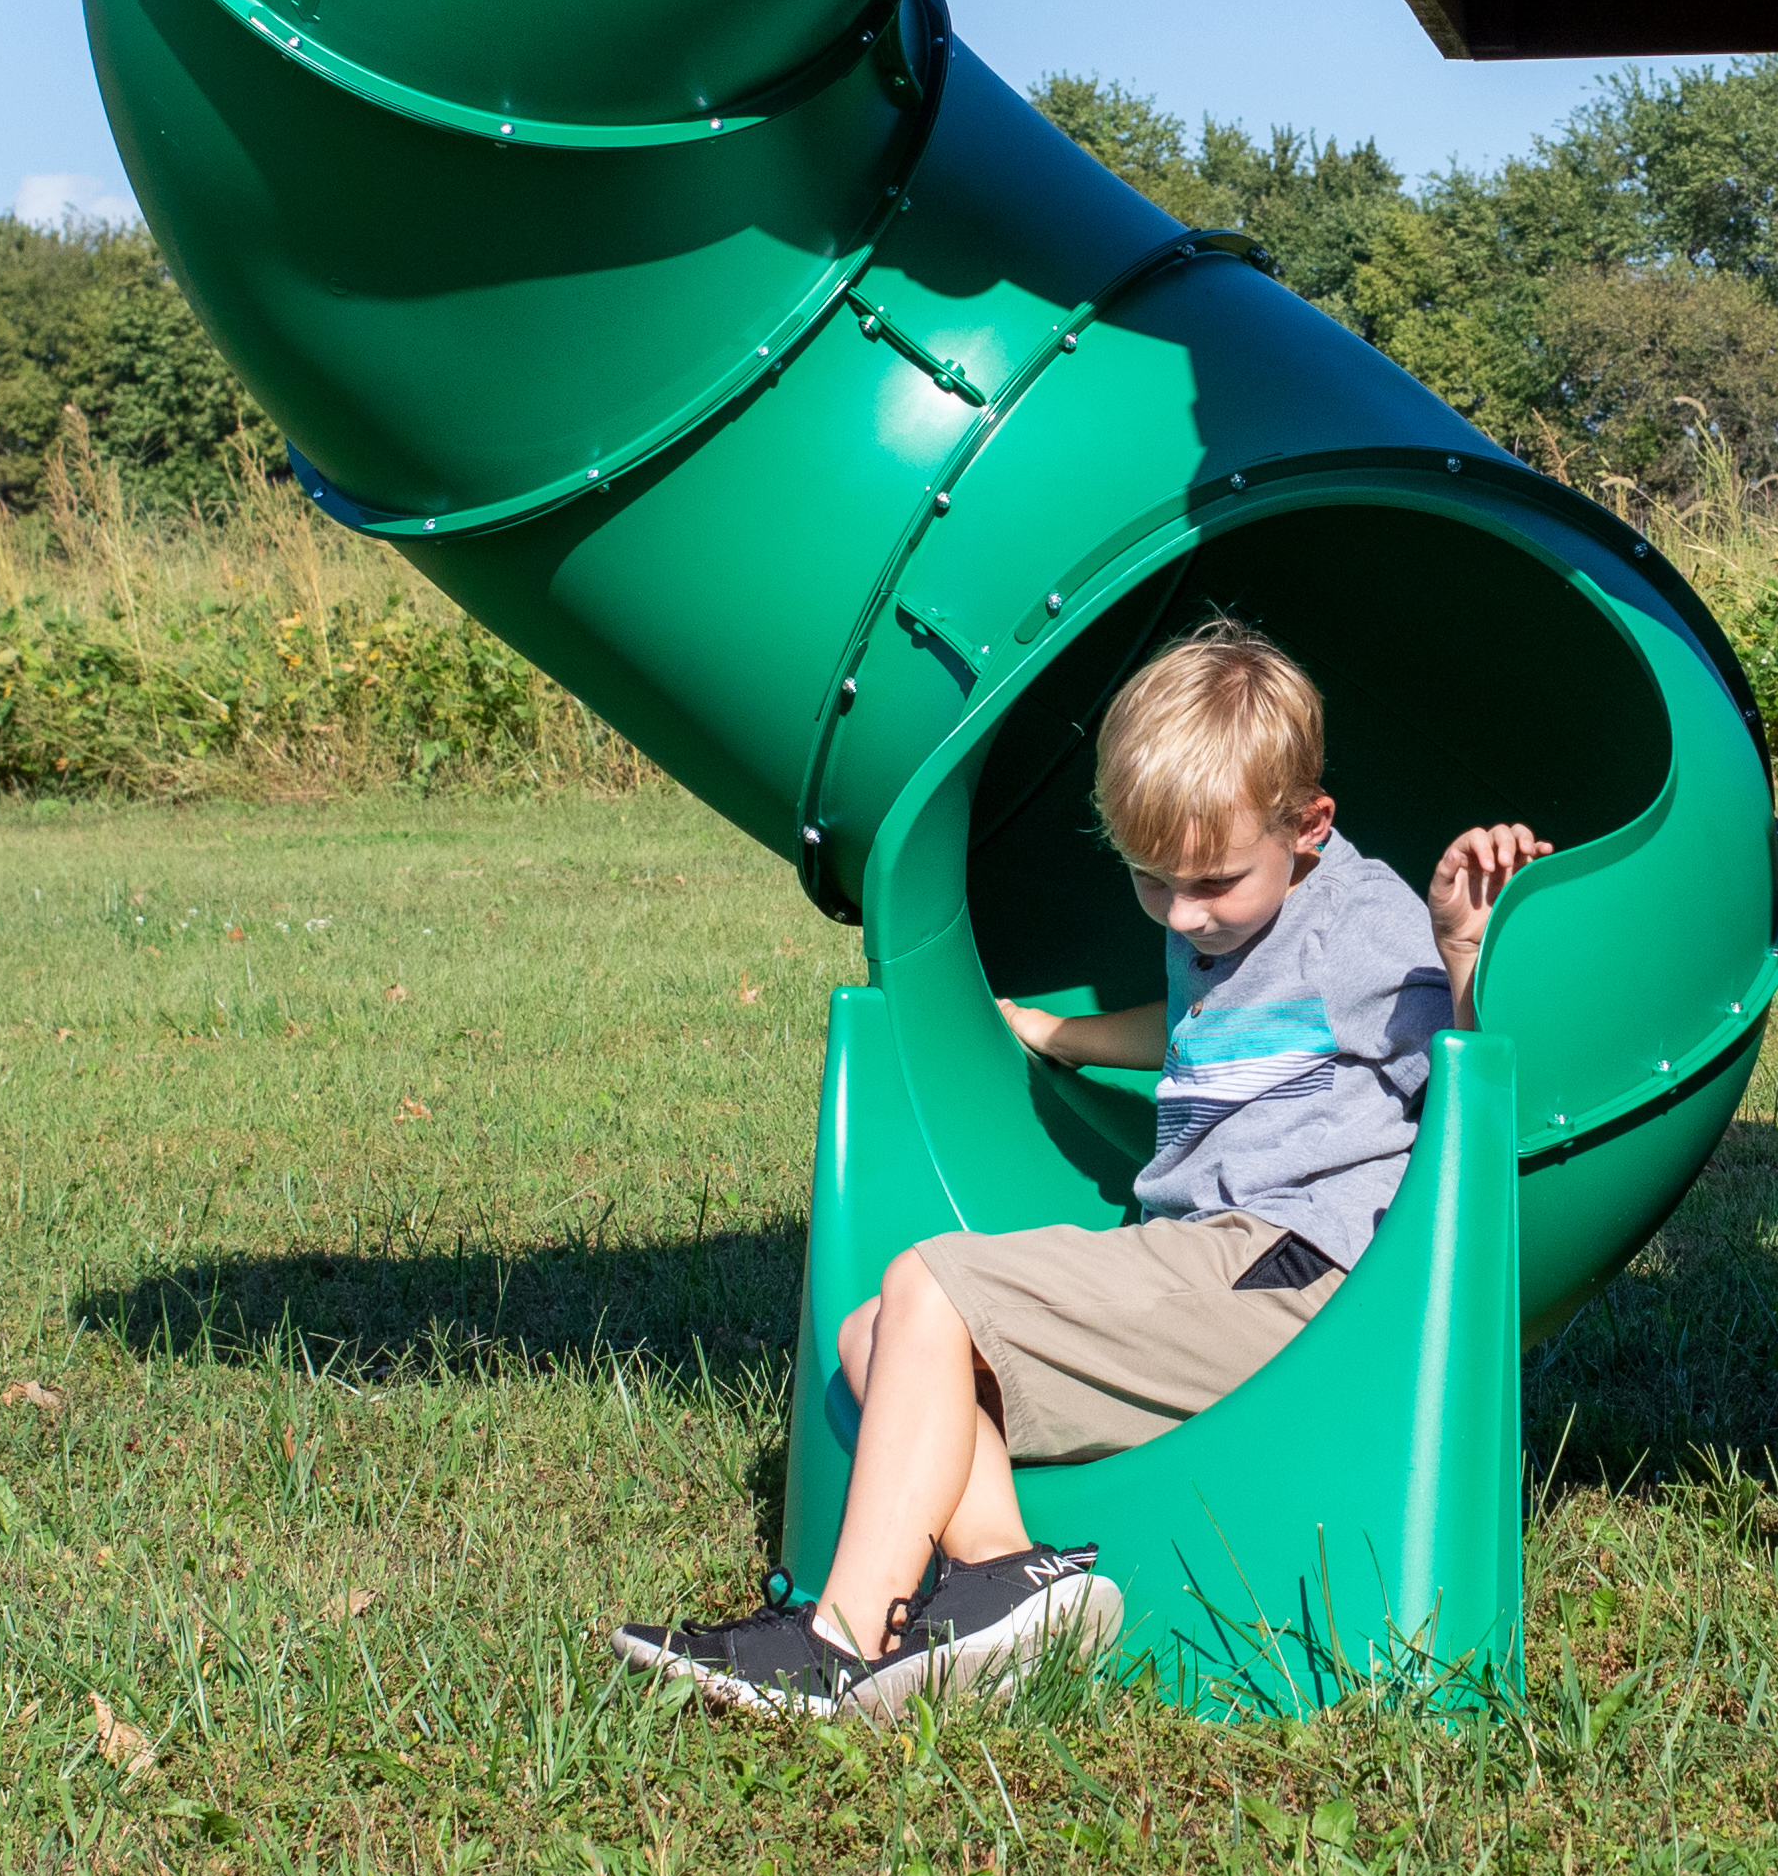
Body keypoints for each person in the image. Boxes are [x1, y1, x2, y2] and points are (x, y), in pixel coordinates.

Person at [613, 621, 1551, 1716]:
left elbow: (1469, 1084)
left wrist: (1464, 958)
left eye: (1211, 882)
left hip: (1291, 1266)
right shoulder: (1222, 917)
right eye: (1153, 884)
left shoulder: (1362, 921)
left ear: (1309, 826)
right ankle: (1016, 1584)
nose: (1185, 914)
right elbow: (1212, 1035)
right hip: (1195, 1257)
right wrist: (1062, 1037)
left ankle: (839, 1636)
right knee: (874, 1335)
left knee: (930, 1284)